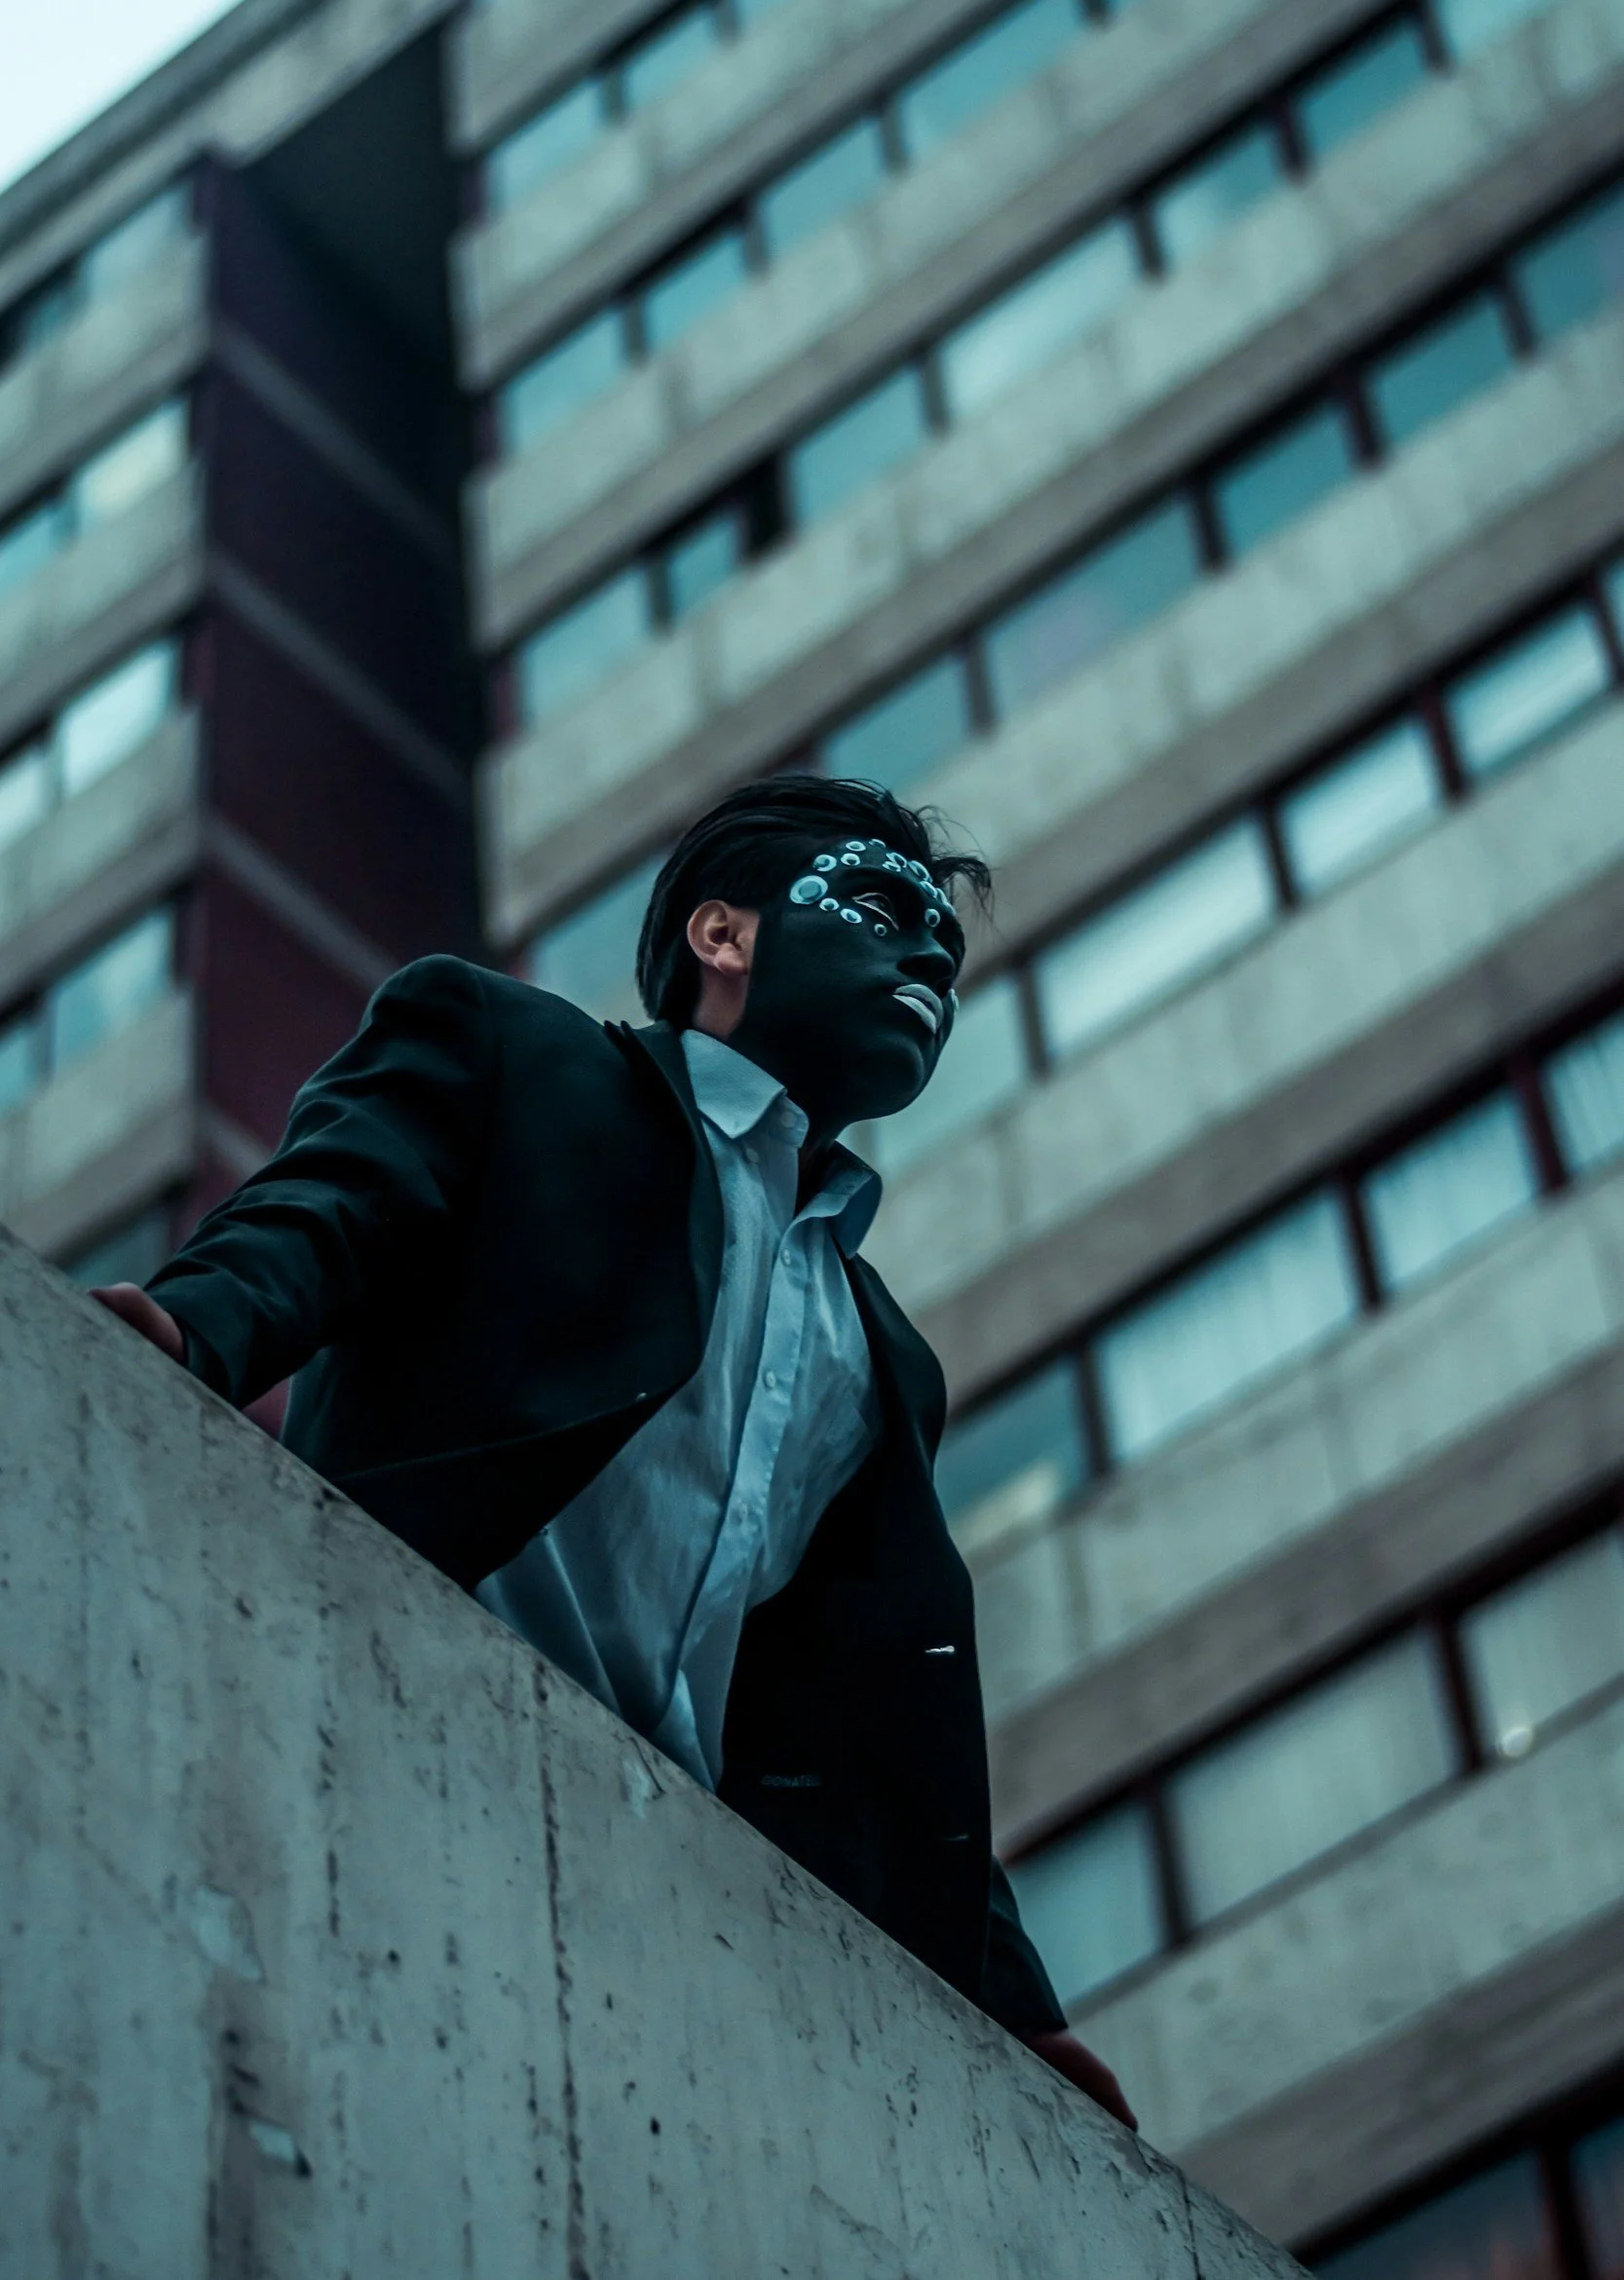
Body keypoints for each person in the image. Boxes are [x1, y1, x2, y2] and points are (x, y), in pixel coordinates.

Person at [94, 775, 1133, 2129]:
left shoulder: (883, 1355)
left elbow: (877, 1707)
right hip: (380, 1705)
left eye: (944, 940)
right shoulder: (511, 1053)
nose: (928, 952)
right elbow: (330, 1210)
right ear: (723, 936)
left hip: (658, 1875)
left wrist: (1012, 2003)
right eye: (883, 910)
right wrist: (187, 1329)